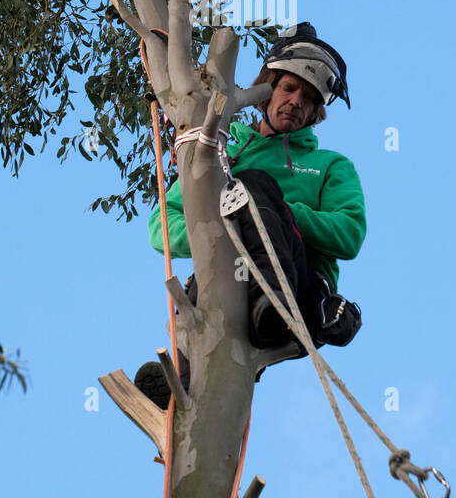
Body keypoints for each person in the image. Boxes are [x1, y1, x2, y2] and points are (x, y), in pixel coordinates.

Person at [135, 22, 366, 407]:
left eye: (309, 98)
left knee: (253, 187)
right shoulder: (223, 149)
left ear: (315, 113)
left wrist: (281, 212)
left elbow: (350, 233)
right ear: (267, 91)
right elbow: (162, 225)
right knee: (242, 198)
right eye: (289, 88)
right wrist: (216, 232)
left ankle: (271, 302)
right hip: (225, 275)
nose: (296, 101)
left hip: (299, 285)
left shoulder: (330, 165)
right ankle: (182, 391)